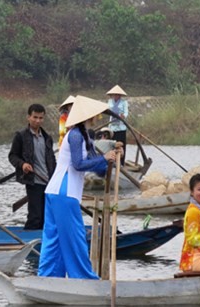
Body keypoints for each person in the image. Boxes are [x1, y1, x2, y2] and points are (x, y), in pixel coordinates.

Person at [38, 95, 122, 279]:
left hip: (58, 192)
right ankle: (83, 278)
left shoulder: (85, 136)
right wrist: (103, 158)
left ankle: (49, 277)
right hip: (64, 191)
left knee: (57, 238)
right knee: (74, 238)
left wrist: (113, 159)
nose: (96, 118)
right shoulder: (75, 135)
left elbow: (98, 168)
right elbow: (78, 164)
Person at [8, 104, 56, 230]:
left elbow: (52, 160)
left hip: (49, 181)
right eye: (35, 117)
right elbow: (12, 156)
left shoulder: (47, 137)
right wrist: (22, 164)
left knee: (48, 216)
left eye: (41, 118)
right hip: (33, 180)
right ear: (28, 117)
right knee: (35, 216)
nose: (38, 121)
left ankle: (45, 243)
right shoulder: (21, 136)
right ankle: (30, 241)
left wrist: (56, 178)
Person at [106, 85, 128, 165]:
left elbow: (126, 112)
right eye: (115, 94)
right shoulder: (110, 102)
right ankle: (112, 162)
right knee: (112, 145)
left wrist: (123, 116)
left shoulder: (124, 102)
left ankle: (121, 163)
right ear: (112, 95)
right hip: (112, 127)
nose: (116, 96)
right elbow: (108, 111)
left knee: (122, 145)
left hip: (121, 127)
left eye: (118, 94)